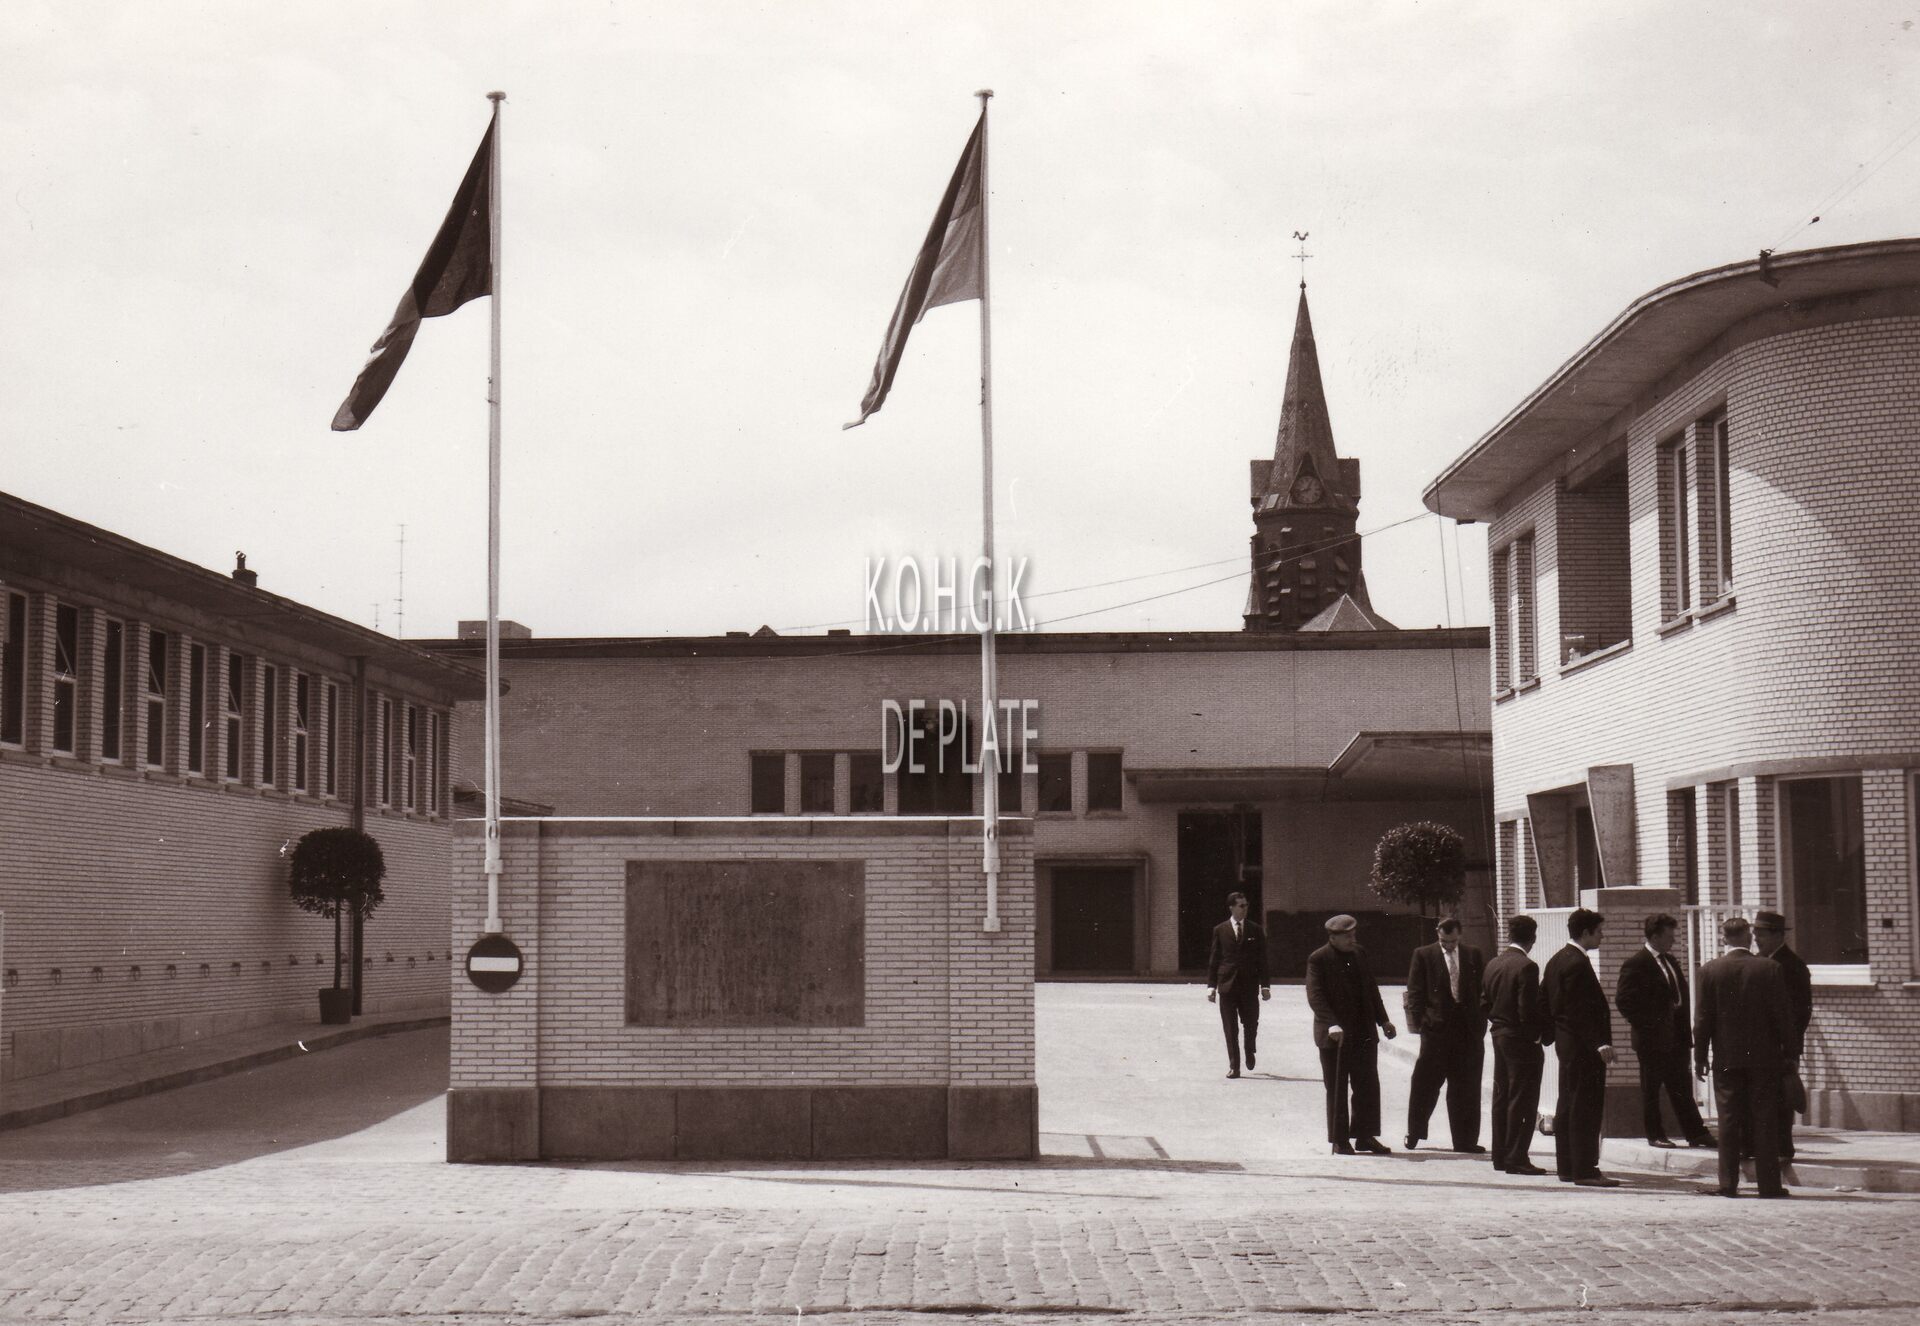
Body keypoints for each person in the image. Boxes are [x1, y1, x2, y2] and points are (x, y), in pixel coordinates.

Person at [1694, 915, 1794, 1198]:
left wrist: (1700, 1056)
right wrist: (1790, 1052)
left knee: (1728, 1120)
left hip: (1727, 1058)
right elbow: (1783, 1016)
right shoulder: (1770, 968)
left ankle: (1728, 1184)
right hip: (1764, 1058)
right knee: (1764, 1119)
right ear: (1749, 937)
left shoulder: (1710, 971)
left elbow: (1702, 1020)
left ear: (1724, 939)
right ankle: (1769, 1185)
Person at [1614, 913, 1714, 1149]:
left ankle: (1696, 1133)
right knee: (1651, 1089)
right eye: (1669, 936)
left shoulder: (1670, 961)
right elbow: (1624, 1001)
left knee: (1681, 1087)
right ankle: (1655, 1134)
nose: (1673, 941)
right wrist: (1650, 1024)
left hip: (1675, 1037)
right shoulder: (1637, 963)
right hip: (1652, 1039)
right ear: (1655, 936)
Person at [1305, 913, 1397, 1156]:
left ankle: (1365, 1136)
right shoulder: (1318, 959)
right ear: (1332, 937)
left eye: (1353, 935)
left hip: (1363, 1032)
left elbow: (1371, 989)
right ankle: (1340, 1139)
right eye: (1347, 937)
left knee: (1368, 1086)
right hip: (1335, 1036)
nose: (1352, 940)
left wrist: (1383, 1020)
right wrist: (1331, 1024)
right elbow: (1315, 996)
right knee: (1337, 1088)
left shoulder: (1359, 953)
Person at [1542, 907, 1619, 1188]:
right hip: (1583, 1048)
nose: (1602, 936)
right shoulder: (1576, 963)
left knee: (1568, 1105)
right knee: (1584, 1107)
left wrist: (1551, 1034)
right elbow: (1579, 1010)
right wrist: (1599, 1042)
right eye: (1599, 932)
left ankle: (1568, 1166)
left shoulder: (1557, 959)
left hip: (1568, 1045)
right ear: (1585, 933)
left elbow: (1545, 1001)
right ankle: (1585, 1169)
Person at [1403, 916, 1488, 1153]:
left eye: (1452, 941)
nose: (1449, 946)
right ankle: (1415, 1132)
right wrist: (1422, 1024)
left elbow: (1483, 989)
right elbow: (1415, 991)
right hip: (1436, 1032)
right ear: (1437, 934)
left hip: (1468, 1032)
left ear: (1460, 935)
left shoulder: (1473, 955)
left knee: (1466, 1087)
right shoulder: (1423, 954)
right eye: (1444, 941)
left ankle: (1465, 1140)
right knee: (1425, 1083)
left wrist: (1480, 1021)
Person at [1481, 914, 1552, 1175]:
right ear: (1533, 938)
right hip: (1521, 1040)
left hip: (1499, 1034)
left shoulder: (1493, 963)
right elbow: (1527, 1010)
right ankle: (1516, 1157)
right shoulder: (1527, 967)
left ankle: (1500, 1155)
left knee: (1502, 1096)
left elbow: (1484, 1002)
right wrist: (1536, 1036)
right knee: (1523, 1098)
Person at [1753, 910, 1811, 1162]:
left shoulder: (1792, 966)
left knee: (1782, 1098)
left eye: (1762, 934)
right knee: (1763, 1097)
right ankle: (1765, 1147)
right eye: (1755, 934)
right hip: (1759, 1045)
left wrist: (1789, 1045)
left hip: (1781, 1046)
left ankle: (1784, 1148)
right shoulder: (1757, 962)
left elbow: (1801, 1011)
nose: (1757, 939)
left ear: (1778, 935)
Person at [1205, 891, 1271, 1078]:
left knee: (1251, 1023)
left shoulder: (1256, 930)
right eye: (1241, 905)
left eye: (1246, 905)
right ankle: (1235, 1066)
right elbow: (1214, 959)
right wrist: (1211, 987)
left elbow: (1262, 960)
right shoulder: (1220, 930)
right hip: (1227, 985)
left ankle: (1249, 1049)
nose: (1245, 908)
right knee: (1230, 1028)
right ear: (1232, 907)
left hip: (1249, 986)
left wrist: (1265, 986)